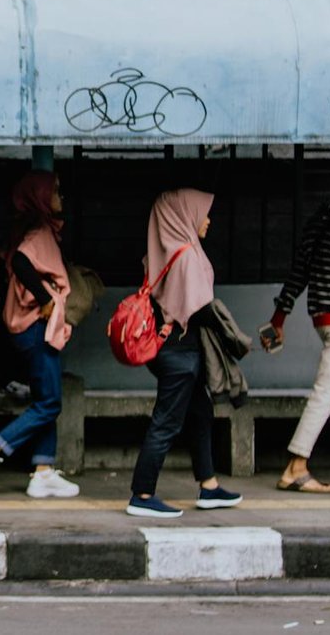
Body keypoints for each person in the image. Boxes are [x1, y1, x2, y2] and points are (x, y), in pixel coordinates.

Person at [0, 171, 81, 499]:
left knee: (46, 397)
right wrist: (44, 299)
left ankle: (43, 471)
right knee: (49, 403)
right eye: (55, 191)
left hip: (28, 327)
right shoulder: (39, 231)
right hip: (36, 328)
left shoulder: (27, 228)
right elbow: (23, 263)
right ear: (40, 197)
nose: (61, 197)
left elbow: (3, 260)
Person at [126, 188, 243, 518]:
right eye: (202, 212)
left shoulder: (160, 251)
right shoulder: (186, 253)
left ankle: (209, 486)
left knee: (201, 415)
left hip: (170, 350)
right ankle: (142, 493)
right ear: (184, 214)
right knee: (165, 422)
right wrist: (232, 334)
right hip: (180, 355)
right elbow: (200, 308)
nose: (208, 219)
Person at [262, 153, 330, 494]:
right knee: (326, 392)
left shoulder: (320, 219)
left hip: (321, 316)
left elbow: (300, 270)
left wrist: (280, 316)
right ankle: (296, 465)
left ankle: (298, 464)